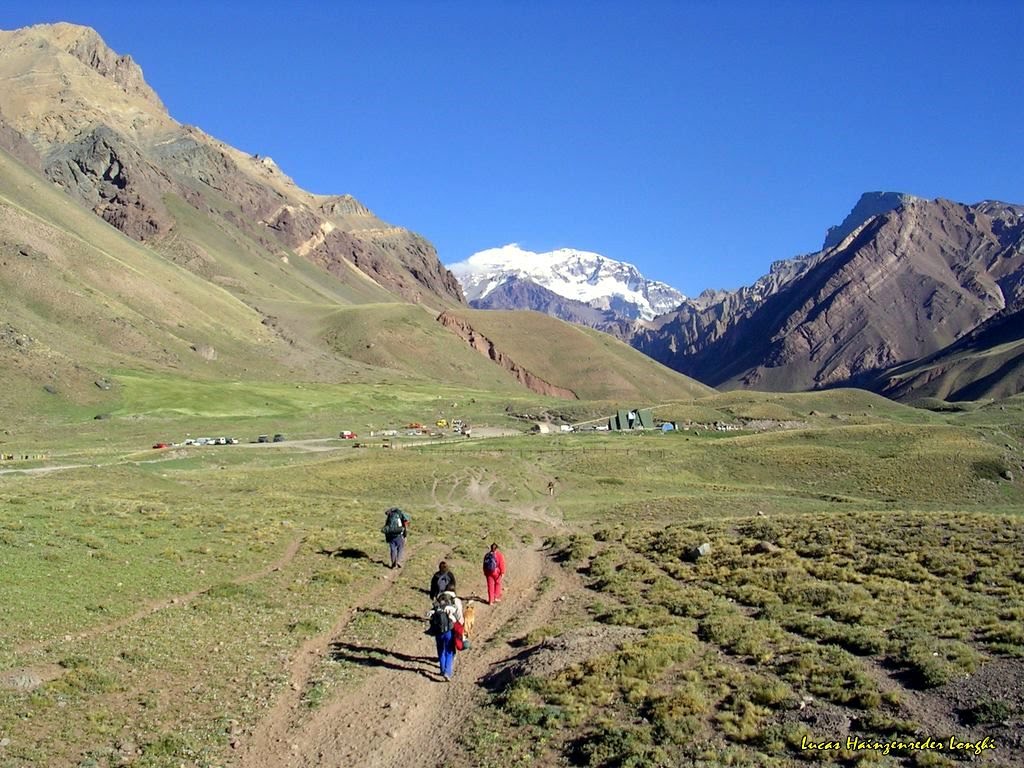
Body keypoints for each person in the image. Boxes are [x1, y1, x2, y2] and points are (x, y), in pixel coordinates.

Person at [430, 589, 465, 681]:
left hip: (438, 633)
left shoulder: (436, 608)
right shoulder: (451, 608)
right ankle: (447, 671)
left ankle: (442, 669)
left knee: (440, 650)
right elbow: (458, 620)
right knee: (449, 651)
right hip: (449, 632)